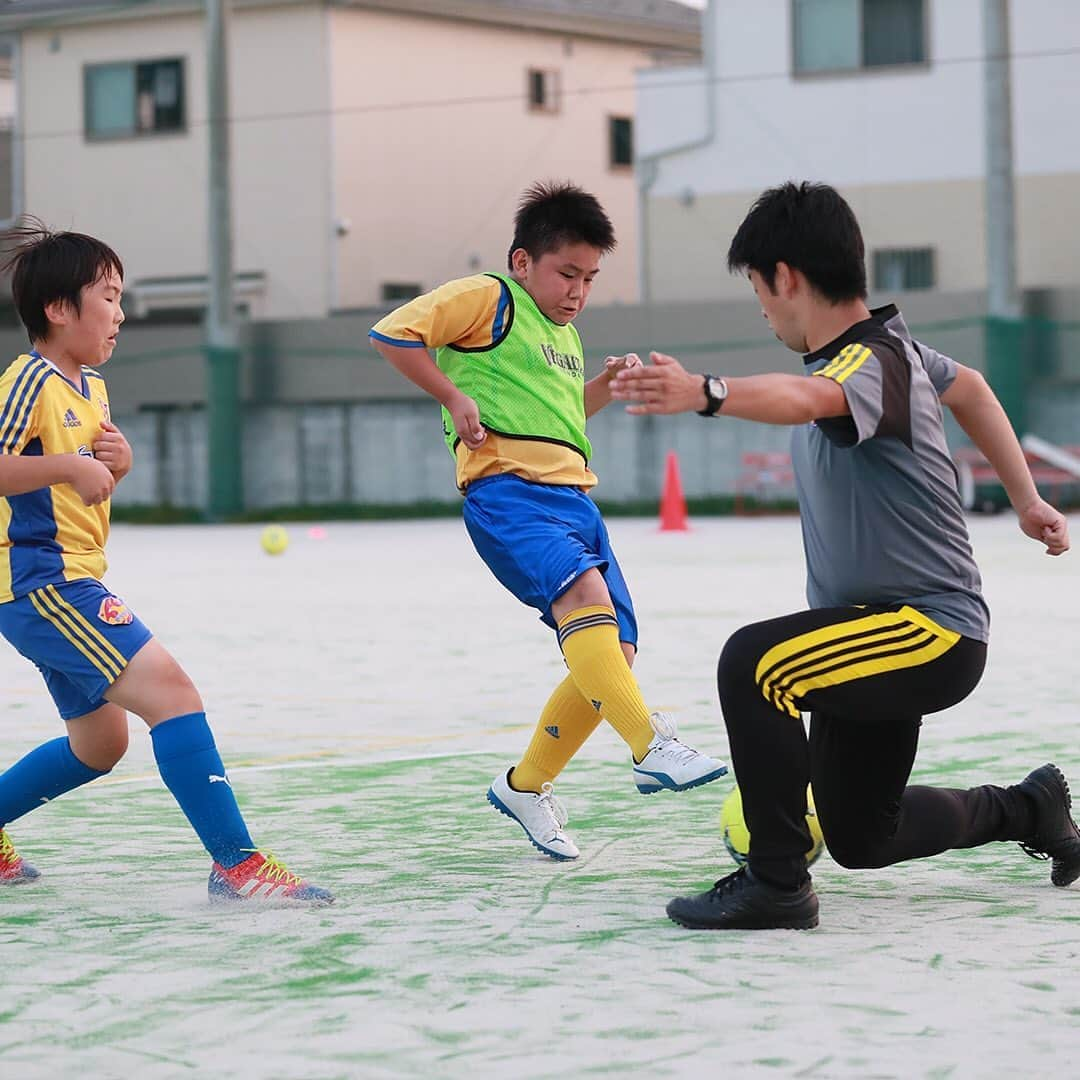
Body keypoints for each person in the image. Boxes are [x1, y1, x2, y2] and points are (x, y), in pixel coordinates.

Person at [609, 180, 1076, 929]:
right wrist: (1027, 500)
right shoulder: (902, 354)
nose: (764, 311)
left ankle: (777, 884)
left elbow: (806, 400)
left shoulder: (869, 363)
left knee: (751, 665)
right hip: (875, 632)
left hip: (926, 629)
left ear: (787, 277)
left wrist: (707, 390)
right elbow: (977, 389)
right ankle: (1031, 808)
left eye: (761, 291)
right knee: (863, 834)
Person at [369, 180, 726, 860]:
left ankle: (526, 786)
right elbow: (392, 334)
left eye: (590, 278)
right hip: (508, 495)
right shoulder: (489, 297)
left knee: (612, 652)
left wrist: (603, 390)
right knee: (587, 606)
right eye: (568, 273)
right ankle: (651, 744)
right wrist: (451, 394)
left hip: (574, 502)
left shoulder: (566, 335)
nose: (578, 291)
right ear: (523, 260)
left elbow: (558, 420)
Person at [0, 223, 332, 905]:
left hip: (70, 579)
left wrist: (114, 465)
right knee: (174, 695)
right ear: (59, 309)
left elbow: (80, 483)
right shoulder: (27, 380)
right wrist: (69, 464)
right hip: (43, 584)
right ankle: (237, 866)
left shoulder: (90, 388)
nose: (122, 313)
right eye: (110, 296)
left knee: (99, 746)